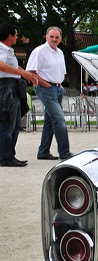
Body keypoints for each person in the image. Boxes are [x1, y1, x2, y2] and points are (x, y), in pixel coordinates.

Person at [26, 26, 73, 160]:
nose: (54, 39)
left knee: (49, 121)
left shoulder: (59, 52)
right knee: (59, 120)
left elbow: (61, 72)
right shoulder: (39, 51)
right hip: (46, 88)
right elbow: (31, 72)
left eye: (57, 37)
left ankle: (43, 152)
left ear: (60, 39)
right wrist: (46, 84)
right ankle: (64, 152)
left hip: (57, 88)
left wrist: (59, 86)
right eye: (51, 36)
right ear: (46, 37)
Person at [0, 24, 39, 167]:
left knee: (15, 123)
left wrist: (25, 73)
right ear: (10, 36)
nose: (17, 37)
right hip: (5, 87)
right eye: (16, 35)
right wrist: (22, 73)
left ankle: (9, 154)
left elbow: (12, 66)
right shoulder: (1, 49)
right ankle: (4, 157)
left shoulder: (8, 50)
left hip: (13, 86)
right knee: (7, 122)